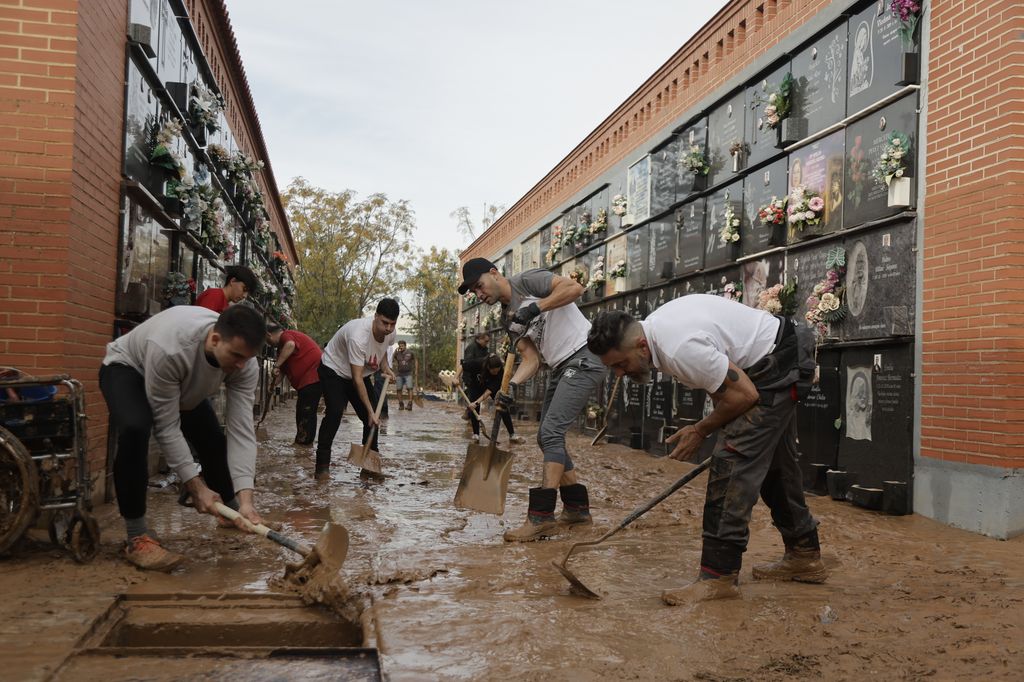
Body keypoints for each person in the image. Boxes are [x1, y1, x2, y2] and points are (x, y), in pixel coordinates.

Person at [586, 294, 827, 605]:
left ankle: (718, 577)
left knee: (732, 465)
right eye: (612, 368)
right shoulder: (659, 332)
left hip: (778, 364)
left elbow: (744, 396)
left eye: (621, 364)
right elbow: (726, 387)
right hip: (776, 356)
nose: (619, 374)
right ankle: (804, 554)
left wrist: (701, 430)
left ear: (641, 347)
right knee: (774, 463)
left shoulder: (678, 348)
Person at [98, 305, 266, 571]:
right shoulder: (171, 347)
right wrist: (196, 488)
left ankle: (234, 513)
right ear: (214, 339)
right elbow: (167, 426)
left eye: (247, 358)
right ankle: (137, 536)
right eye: (235, 356)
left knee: (212, 438)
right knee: (135, 428)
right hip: (130, 369)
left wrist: (247, 500)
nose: (240, 365)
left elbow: (241, 430)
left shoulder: (243, 362)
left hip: (182, 384)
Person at [457, 257, 604, 542]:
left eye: (479, 286)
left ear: (494, 273)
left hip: (585, 354)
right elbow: (532, 360)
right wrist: (509, 385)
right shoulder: (506, 319)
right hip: (560, 366)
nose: (479, 294)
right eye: (474, 292)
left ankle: (541, 517)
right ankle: (576, 509)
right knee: (545, 437)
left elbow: (574, 289)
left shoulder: (527, 282)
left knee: (551, 432)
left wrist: (536, 307)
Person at [315, 298, 398, 481]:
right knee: (336, 412)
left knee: (373, 420)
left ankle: (369, 469)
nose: (388, 328)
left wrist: (385, 367)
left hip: (358, 373)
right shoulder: (358, 336)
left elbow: (382, 350)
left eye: (392, 324)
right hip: (334, 369)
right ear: (375, 317)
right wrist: (369, 411)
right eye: (385, 323)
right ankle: (321, 468)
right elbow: (357, 379)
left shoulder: (391, 333)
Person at [266, 324, 323, 445]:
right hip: (307, 381)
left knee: (306, 412)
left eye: (267, 340)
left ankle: (303, 444)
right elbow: (282, 372)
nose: (269, 344)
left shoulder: (286, 336)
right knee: (303, 411)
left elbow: (290, 345)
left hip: (313, 377)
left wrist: (276, 365)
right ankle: (303, 444)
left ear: (269, 335)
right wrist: (272, 385)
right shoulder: (282, 350)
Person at [463, 353, 525, 445]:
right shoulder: (478, 363)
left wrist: (476, 402)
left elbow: (489, 391)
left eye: (497, 371)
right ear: (488, 367)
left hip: (489, 386)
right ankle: (476, 434)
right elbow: (463, 365)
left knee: (502, 404)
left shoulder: (500, 373)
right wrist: (455, 378)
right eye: (494, 371)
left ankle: (512, 434)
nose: (496, 373)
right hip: (475, 385)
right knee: (474, 409)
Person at [456, 332, 490, 424]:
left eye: (488, 341)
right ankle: (471, 415)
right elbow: (468, 363)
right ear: (479, 339)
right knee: (474, 396)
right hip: (470, 376)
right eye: (485, 341)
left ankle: (470, 414)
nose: (487, 343)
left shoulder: (484, 348)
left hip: (480, 377)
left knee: (476, 396)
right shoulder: (472, 348)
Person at [392, 340, 418, 410]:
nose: (401, 347)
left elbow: (415, 360)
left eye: (402, 346)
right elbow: (392, 358)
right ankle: (401, 404)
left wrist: (416, 370)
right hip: (399, 374)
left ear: (405, 346)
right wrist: (395, 351)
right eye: (400, 346)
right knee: (398, 389)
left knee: (410, 388)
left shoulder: (410, 352)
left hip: (408, 373)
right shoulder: (397, 353)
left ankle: (410, 404)